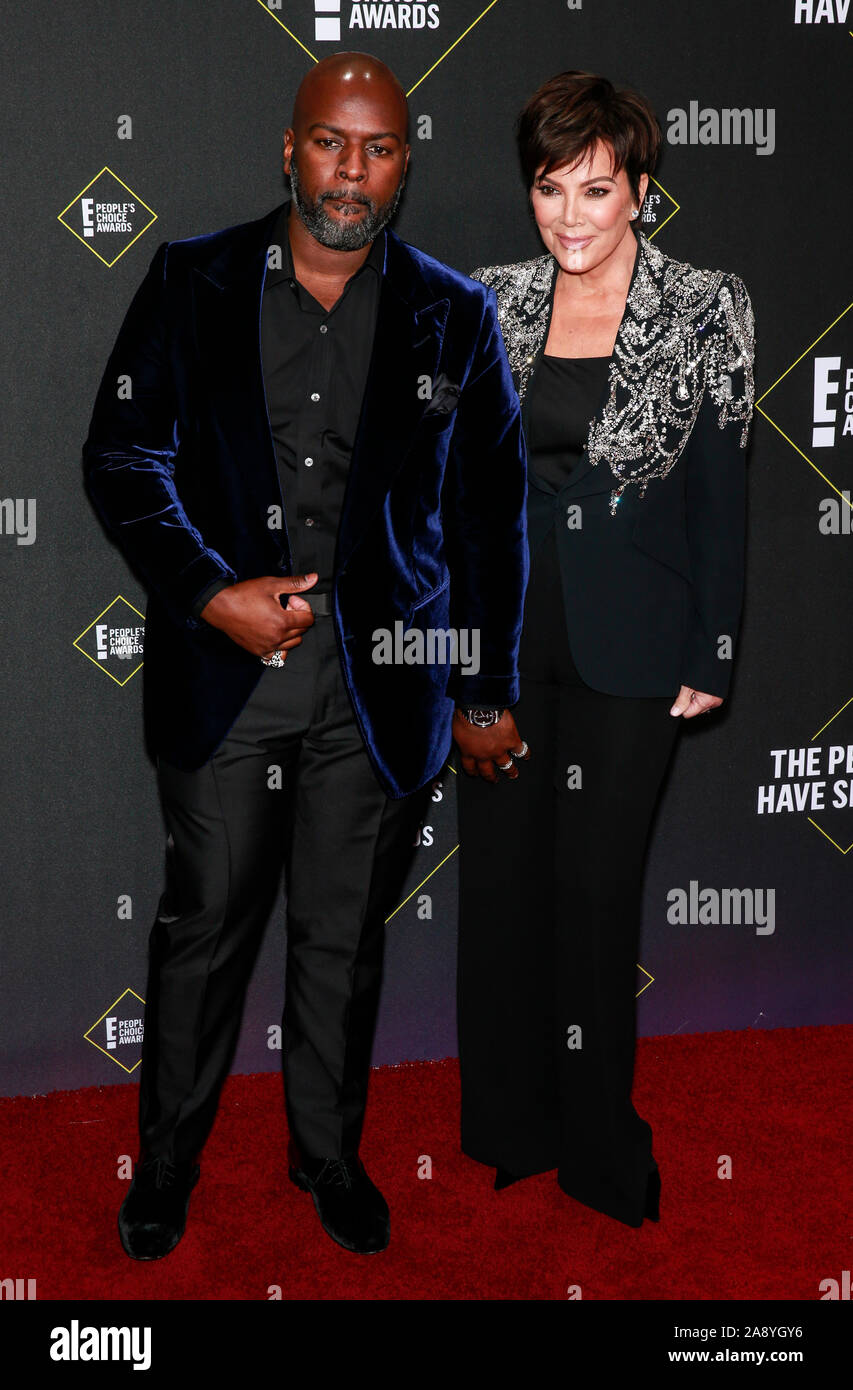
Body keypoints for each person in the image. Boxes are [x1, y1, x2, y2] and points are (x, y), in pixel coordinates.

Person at [82, 51, 528, 1259]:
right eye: (331, 142)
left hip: (380, 688)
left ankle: (327, 1156)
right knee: (204, 929)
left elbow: (489, 512)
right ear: (290, 148)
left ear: (404, 168)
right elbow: (121, 457)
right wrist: (209, 594)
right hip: (228, 680)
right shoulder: (191, 283)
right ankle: (165, 1162)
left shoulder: (456, 313)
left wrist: (485, 687)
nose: (352, 170)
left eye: (378, 149)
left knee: (342, 938)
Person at [455, 70, 755, 1228]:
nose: (569, 216)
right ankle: (513, 1128)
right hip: (511, 645)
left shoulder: (707, 304)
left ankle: (599, 1146)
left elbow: (722, 490)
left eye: (593, 189)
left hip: (636, 647)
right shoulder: (489, 301)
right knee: (504, 889)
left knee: (592, 893)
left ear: (637, 187)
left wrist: (714, 646)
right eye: (547, 189)